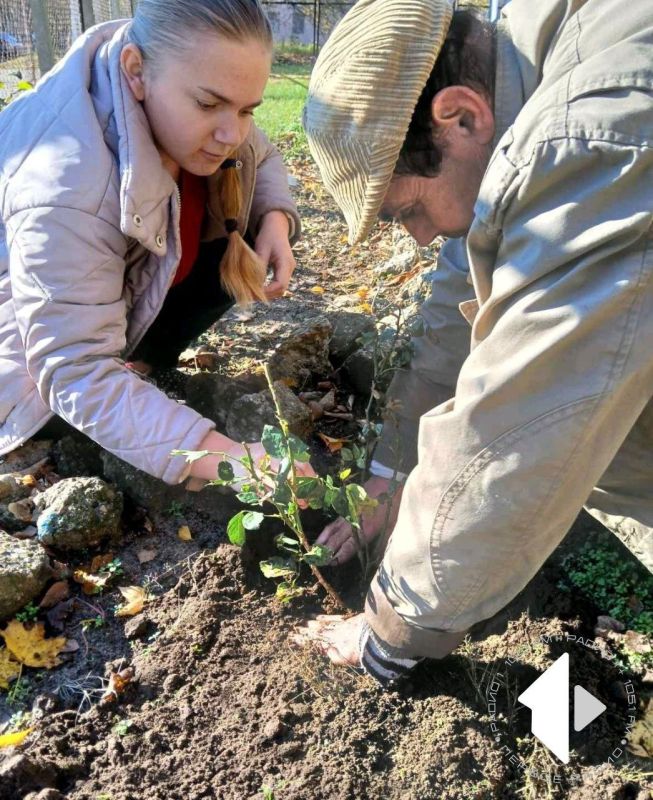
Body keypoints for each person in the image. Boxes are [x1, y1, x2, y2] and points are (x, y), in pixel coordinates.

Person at [296, 0, 653, 685]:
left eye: (406, 210)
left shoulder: (583, 141)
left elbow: (524, 423)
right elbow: (451, 305)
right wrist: (389, 475)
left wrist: (391, 627)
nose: (421, 237)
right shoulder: (530, 80)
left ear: (460, 114)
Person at [0, 0, 314, 487]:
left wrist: (273, 219)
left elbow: (260, 154)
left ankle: (141, 368)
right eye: (209, 105)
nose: (231, 133)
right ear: (135, 71)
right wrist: (229, 459)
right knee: (73, 411)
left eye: (247, 108)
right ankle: (126, 398)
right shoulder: (66, 185)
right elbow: (71, 369)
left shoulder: (177, 87)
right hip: (28, 360)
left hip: (94, 307)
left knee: (241, 229)